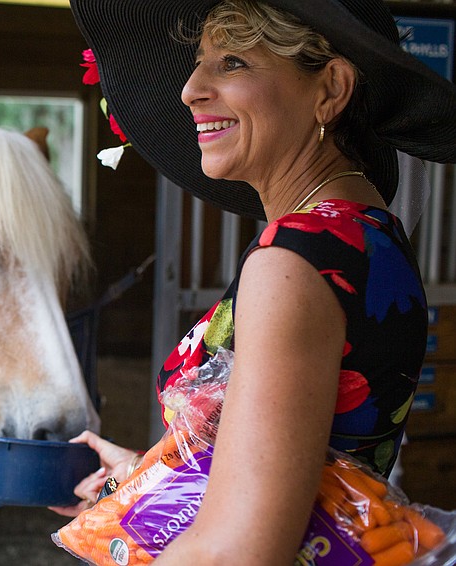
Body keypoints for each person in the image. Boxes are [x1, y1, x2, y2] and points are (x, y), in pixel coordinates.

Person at [52, 0, 456, 563]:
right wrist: (140, 479)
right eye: (199, 63)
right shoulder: (367, 233)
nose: (190, 89)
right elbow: (307, 466)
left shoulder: (290, 263)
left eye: (233, 62)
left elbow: (236, 553)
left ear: (330, 90)